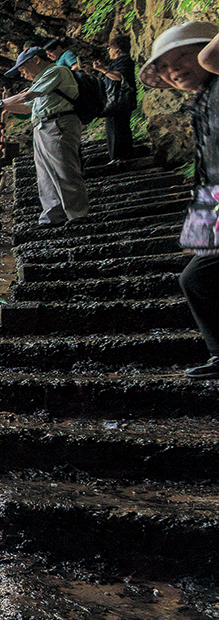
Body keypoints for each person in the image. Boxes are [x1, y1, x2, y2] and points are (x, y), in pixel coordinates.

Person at [140, 20, 219, 379]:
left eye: (182, 57)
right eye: (165, 67)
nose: (173, 71)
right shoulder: (203, 100)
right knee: (198, 277)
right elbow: (208, 170)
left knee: (198, 279)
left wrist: (205, 56)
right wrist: (200, 232)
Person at [0, 45, 88, 225]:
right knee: (45, 174)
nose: (22, 73)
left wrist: (0, 102)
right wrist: (0, 105)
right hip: (44, 126)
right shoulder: (42, 81)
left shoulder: (57, 71)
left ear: (36, 59)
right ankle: (52, 216)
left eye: (22, 68)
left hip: (58, 123)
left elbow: (28, 97)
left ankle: (77, 214)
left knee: (63, 169)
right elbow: (26, 108)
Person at [91, 34, 138, 163]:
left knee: (117, 129)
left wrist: (103, 69)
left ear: (117, 49)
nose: (109, 51)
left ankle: (120, 157)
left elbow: (119, 77)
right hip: (117, 101)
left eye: (110, 48)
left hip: (119, 101)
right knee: (117, 127)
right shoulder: (118, 62)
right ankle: (121, 155)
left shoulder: (124, 60)